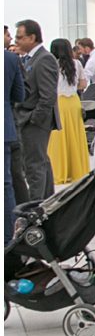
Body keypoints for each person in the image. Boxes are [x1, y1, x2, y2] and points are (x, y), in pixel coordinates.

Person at [10, 21, 58, 205]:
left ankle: (35, 206)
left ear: (32, 37)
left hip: (35, 121)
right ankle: (46, 201)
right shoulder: (29, 58)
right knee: (40, 161)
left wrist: (34, 119)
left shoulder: (44, 58)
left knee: (34, 165)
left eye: (20, 37)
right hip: (29, 118)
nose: (17, 41)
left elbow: (48, 96)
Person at [40, 38, 87, 187]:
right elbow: (83, 84)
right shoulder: (77, 63)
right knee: (75, 135)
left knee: (57, 137)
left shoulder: (50, 64)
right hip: (73, 102)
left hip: (58, 102)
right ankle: (76, 170)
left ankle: (59, 171)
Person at [3, 43, 19, 241]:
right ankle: (10, 236)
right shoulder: (10, 59)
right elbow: (19, 95)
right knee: (6, 184)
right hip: (5, 128)